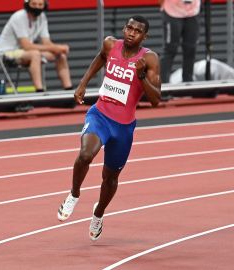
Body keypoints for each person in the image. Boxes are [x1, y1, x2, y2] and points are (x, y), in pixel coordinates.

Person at [56, 16, 161, 241]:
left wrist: (141, 75)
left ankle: (98, 213)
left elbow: (155, 99)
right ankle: (74, 194)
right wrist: (83, 84)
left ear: (145, 37)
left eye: (138, 31)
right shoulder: (111, 44)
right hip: (100, 115)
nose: (131, 33)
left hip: (123, 127)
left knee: (110, 178)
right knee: (85, 154)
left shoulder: (149, 59)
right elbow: (100, 58)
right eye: (129, 28)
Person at [0, 0, 73, 92]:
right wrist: (55, 47)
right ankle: (40, 91)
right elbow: (26, 46)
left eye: (40, 4)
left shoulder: (42, 17)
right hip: (7, 54)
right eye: (34, 4)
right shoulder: (19, 17)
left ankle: (69, 90)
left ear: (44, 6)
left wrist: (59, 49)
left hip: (25, 52)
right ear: (27, 4)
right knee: (35, 54)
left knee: (60, 55)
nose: (37, 7)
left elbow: (46, 43)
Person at [159, 0, 201, 83]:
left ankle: (188, 83)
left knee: (191, 49)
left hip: (193, 11)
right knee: (170, 50)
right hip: (172, 11)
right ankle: (163, 86)